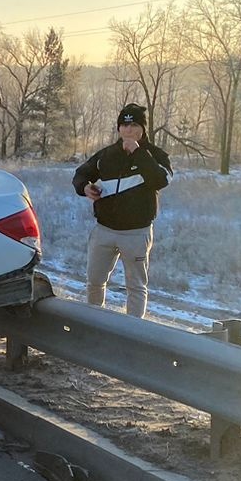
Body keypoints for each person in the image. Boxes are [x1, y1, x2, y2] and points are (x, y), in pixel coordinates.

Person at [72, 102, 173, 319]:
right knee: (95, 282)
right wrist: (85, 187)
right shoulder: (106, 155)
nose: (128, 130)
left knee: (135, 287)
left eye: (134, 125)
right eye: (124, 125)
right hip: (104, 231)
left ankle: (133, 334)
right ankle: (94, 325)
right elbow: (80, 174)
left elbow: (161, 180)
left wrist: (138, 153)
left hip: (137, 233)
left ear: (143, 128)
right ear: (119, 128)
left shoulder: (155, 155)